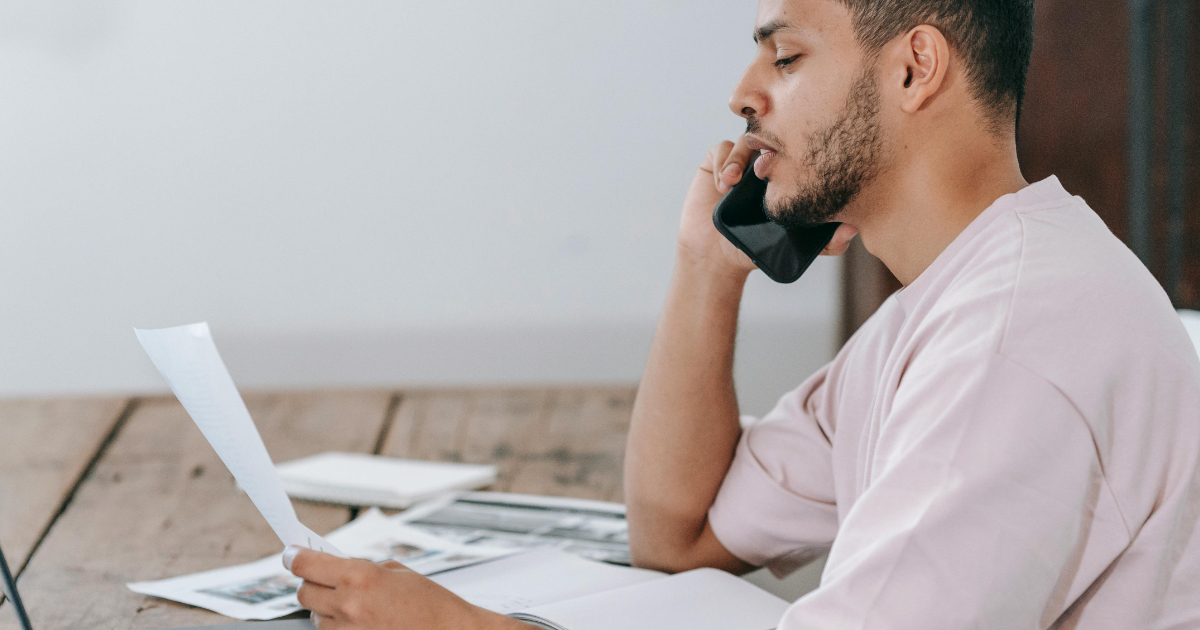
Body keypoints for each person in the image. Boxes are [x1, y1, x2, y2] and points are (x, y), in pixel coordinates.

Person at [282, 0, 1200, 627]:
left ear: (916, 67)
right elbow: (678, 538)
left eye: (786, 54)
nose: (742, 92)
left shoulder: (1013, 341)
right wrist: (707, 268)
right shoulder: (952, 306)